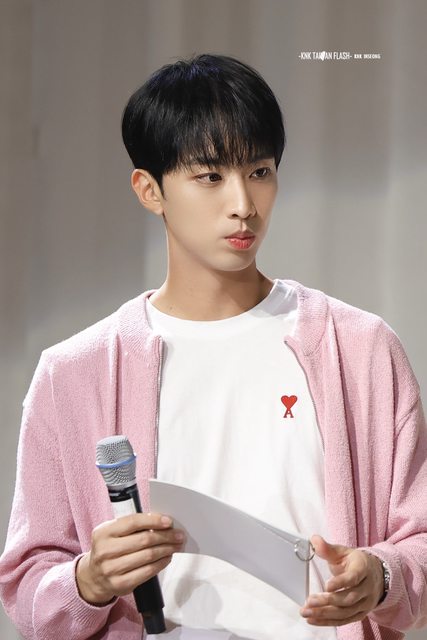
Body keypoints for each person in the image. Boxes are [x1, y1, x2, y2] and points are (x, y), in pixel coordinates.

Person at [0, 53, 426, 640]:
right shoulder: (75, 373)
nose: (243, 204)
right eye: (210, 177)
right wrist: (87, 581)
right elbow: (27, 584)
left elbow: (419, 539)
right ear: (149, 190)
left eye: (260, 171)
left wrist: (382, 577)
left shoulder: (359, 348)